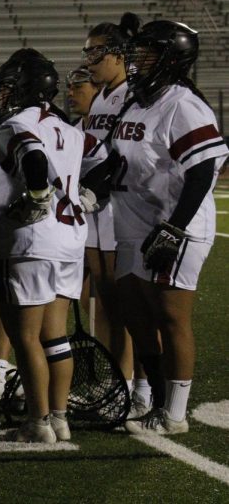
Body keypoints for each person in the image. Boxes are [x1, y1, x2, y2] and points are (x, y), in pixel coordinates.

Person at [110, 21, 228, 435]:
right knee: (135, 314)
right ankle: (157, 402)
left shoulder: (182, 104)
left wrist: (174, 228)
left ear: (171, 59)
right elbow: (120, 158)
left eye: (146, 53)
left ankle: (174, 413)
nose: (135, 60)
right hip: (133, 222)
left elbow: (203, 170)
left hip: (173, 223)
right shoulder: (138, 101)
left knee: (170, 316)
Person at [0, 48, 88, 443]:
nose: (2, 96)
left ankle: (38, 422)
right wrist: (88, 195)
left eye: (8, 87)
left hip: (29, 240)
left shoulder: (16, 125)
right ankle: (59, 418)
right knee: (55, 335)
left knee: (25, 336)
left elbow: (34, 157)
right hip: (69, 240)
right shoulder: (71, 128)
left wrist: (39, 193)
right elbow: (106, 162)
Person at [80, 15, 145, 410]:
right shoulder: (102, 95)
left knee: (127, 302)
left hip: (120, 208)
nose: (88, 60)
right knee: (103, 299)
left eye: (95, 52)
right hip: (94, 208)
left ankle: (135, 385)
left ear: (119, 55)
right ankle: (114, 381)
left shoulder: (134, 94)